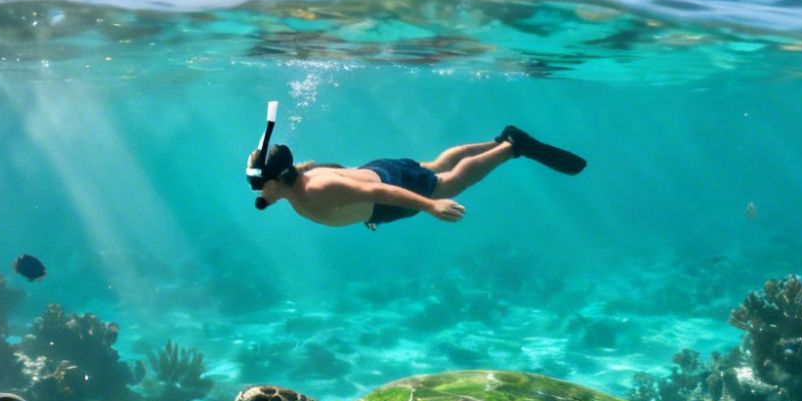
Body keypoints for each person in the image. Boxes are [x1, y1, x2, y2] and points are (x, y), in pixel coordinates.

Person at [248, 126, 585, 229]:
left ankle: (511, 148)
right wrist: (355, 204)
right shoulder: (306, 175)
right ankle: (497, 140)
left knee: (451, 182)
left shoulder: (316, 190)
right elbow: (341, 171)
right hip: (378, 170)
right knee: (437, 163)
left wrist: (430, 206)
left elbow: (386, 194)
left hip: (390, 188)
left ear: (276, 181)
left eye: (258, 183)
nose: (257, 191)